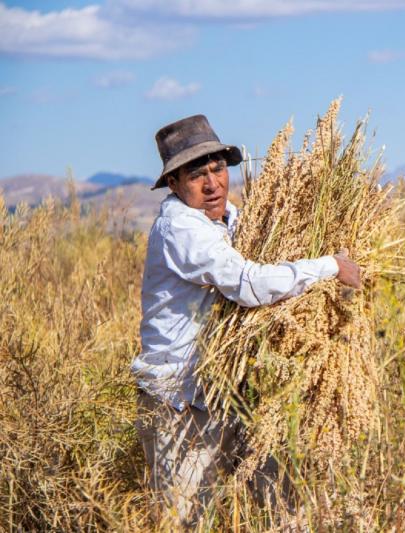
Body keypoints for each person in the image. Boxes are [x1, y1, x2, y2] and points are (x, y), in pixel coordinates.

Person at [131, 114, 361, 527]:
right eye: (196, 175)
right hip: (178, 401)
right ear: (173, 184)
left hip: (226, 392)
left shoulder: (228, 220)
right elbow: (249, 283)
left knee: (280, 500)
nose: (212, 183)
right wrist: (330, 266)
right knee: (183, 520)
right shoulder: (181, 228)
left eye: (218, 169)